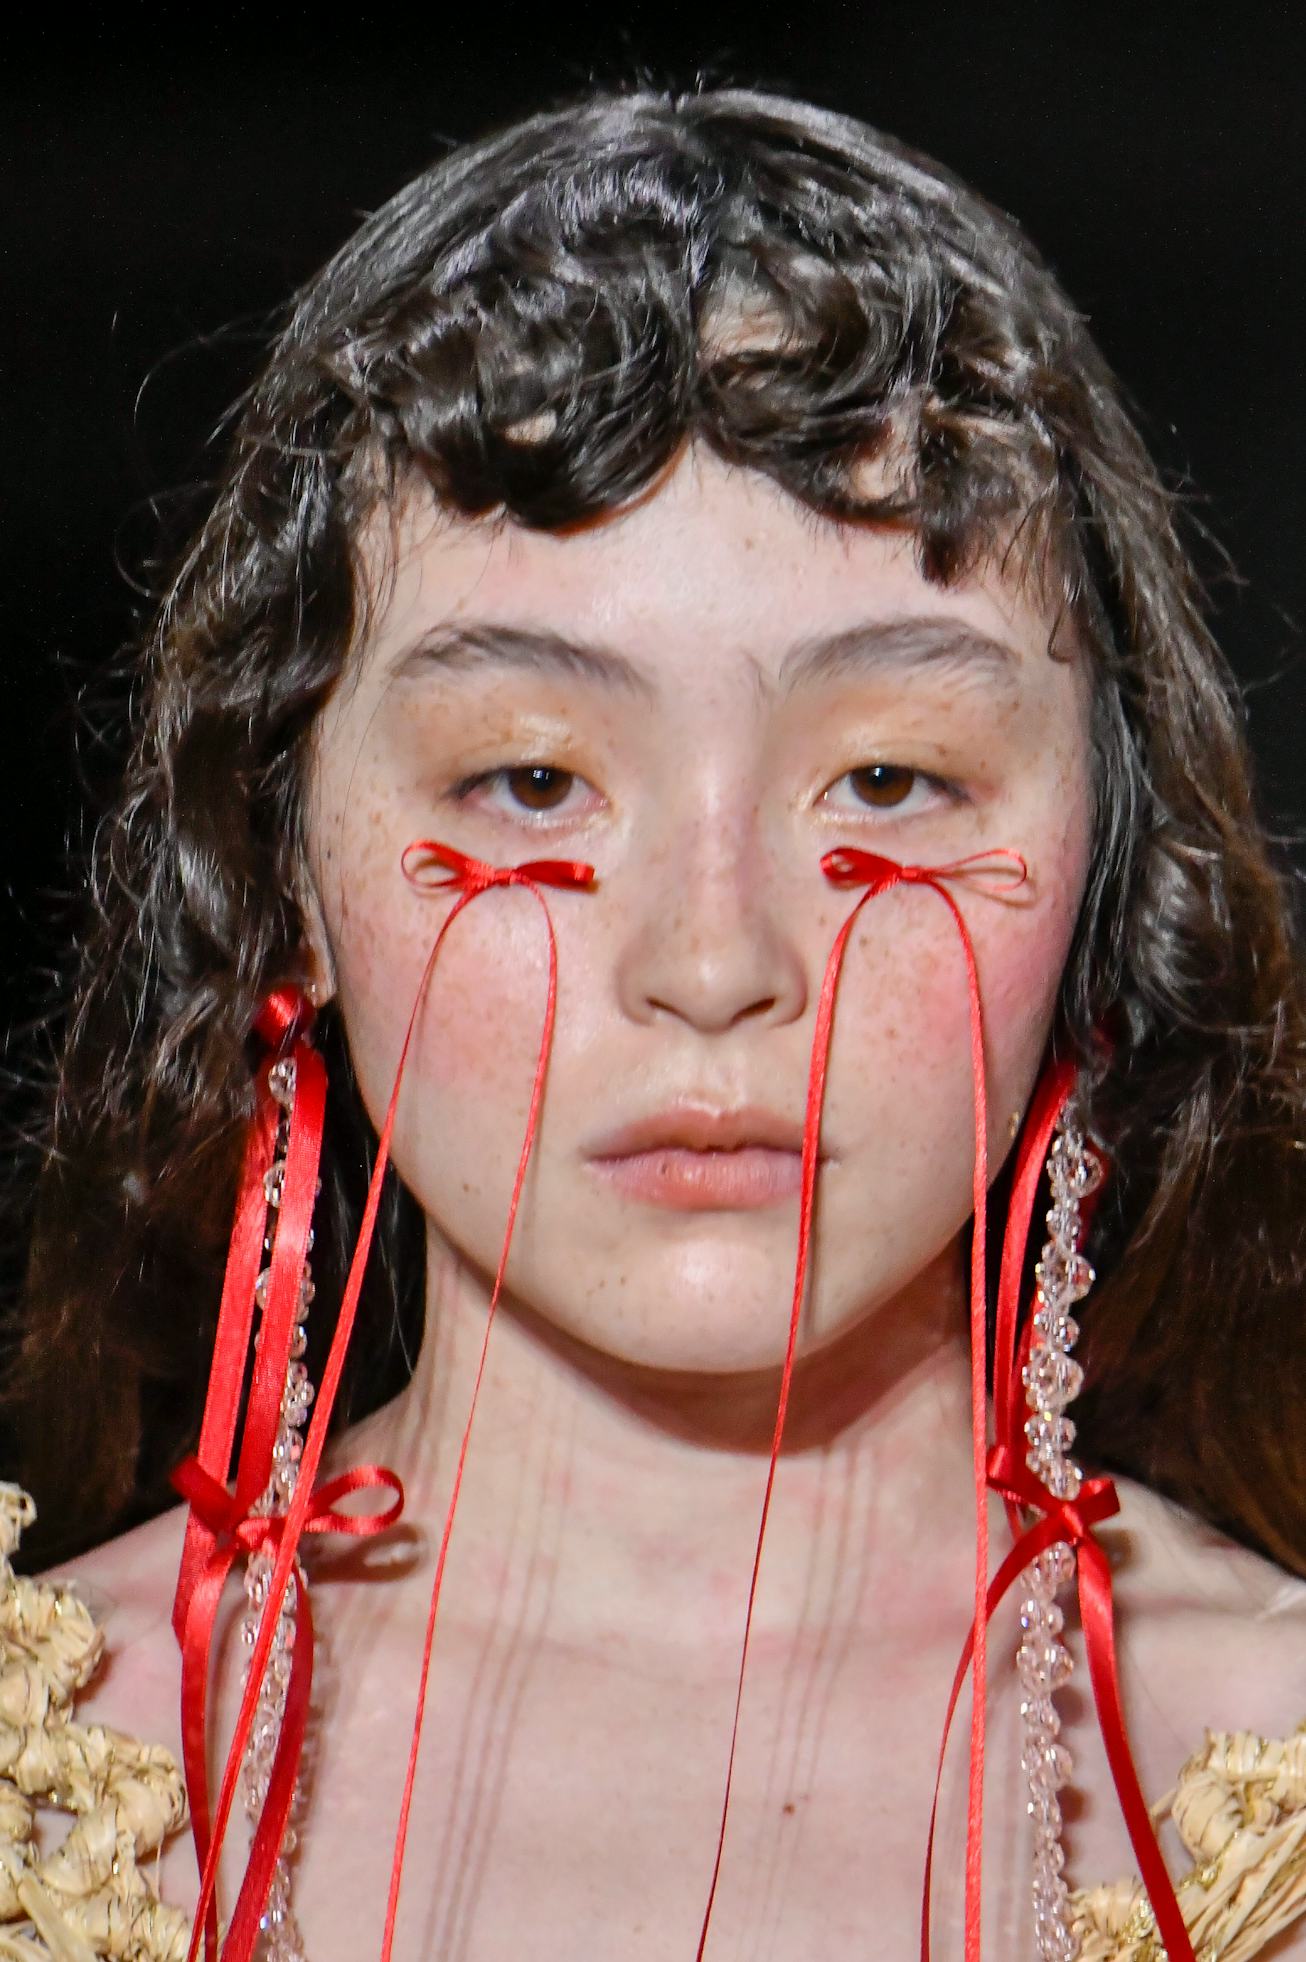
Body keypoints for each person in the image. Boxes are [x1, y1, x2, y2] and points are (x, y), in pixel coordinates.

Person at [8, 83, 1306, 1962]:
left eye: (887, 777)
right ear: (281, 864)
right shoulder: (39, 1799)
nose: (709, 962)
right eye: (531, 779)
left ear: (1110, 877)